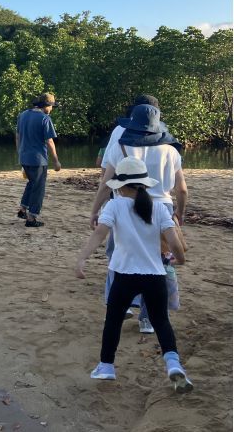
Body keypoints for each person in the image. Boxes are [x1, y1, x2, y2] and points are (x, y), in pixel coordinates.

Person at [76, 156, 192, 392]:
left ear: (122, 186)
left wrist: (82, 258)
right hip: (155, 275)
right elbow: (173, 241)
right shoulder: (159, 207)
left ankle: (106, 366)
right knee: (161, 321)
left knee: (114, 320)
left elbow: (100, 233)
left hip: (124, 275)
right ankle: (173, 364)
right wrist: (180, 260)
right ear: (144, 184)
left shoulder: (115, 206)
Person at [90, 103, 187, 333]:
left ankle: (120, 307)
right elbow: (182, 190)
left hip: (124, 205)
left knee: (119, 255)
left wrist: (95, 210)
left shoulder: (119, 147)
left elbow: (106, 185)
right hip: (160, 207)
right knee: (157, 263)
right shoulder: (171, 150)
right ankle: (147, 319)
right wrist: (179, 214)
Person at [15, 92, 62, 227]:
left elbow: (17, 136)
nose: (52, 109)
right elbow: (49, 141)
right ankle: (31, 218)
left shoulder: (22, 115)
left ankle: (23, 209)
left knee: (31, 183)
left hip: (24, 156)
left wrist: (19, 153)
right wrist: (56, 161)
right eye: (52, 106)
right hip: (38, 159)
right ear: (46, 105)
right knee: (39, 188)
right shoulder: (44, 119)